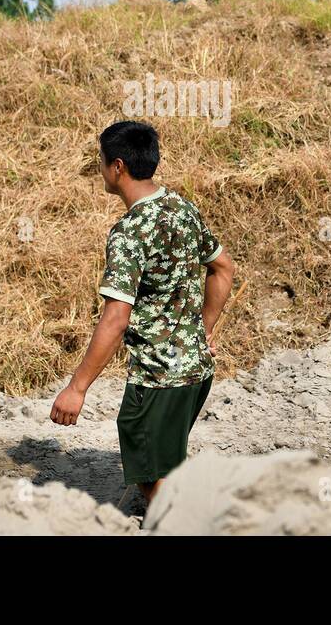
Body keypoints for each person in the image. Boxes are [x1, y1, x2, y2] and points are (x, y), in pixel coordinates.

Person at [50, 120, 235, 506]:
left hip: (157, 378)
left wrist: (76, 388)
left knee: (155, 480)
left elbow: (116, 318)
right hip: (196, 371)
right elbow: (223, 269)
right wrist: (200, 331)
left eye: (100, 161)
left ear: (117, 167)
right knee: (163, 464)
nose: (99, 169)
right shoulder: (182, 208)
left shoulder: (131, 231)